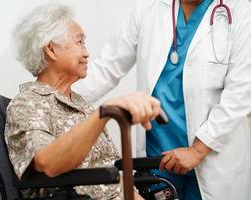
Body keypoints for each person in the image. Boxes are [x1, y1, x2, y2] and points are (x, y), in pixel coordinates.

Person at [73, 0, 251, 199]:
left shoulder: (241, 13)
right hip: (158, 156)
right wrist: (54, 99)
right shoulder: (148, 9)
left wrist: (198, 150)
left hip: (215, 155)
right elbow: (107, 68)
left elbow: (240, 93)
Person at [4, 2, 162, 199]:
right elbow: (49, 163)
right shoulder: (27, 104)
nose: (86, 53)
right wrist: (105, 111)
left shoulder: (81, 105)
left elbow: (112, 172)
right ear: (51, 49)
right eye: (80, 42)